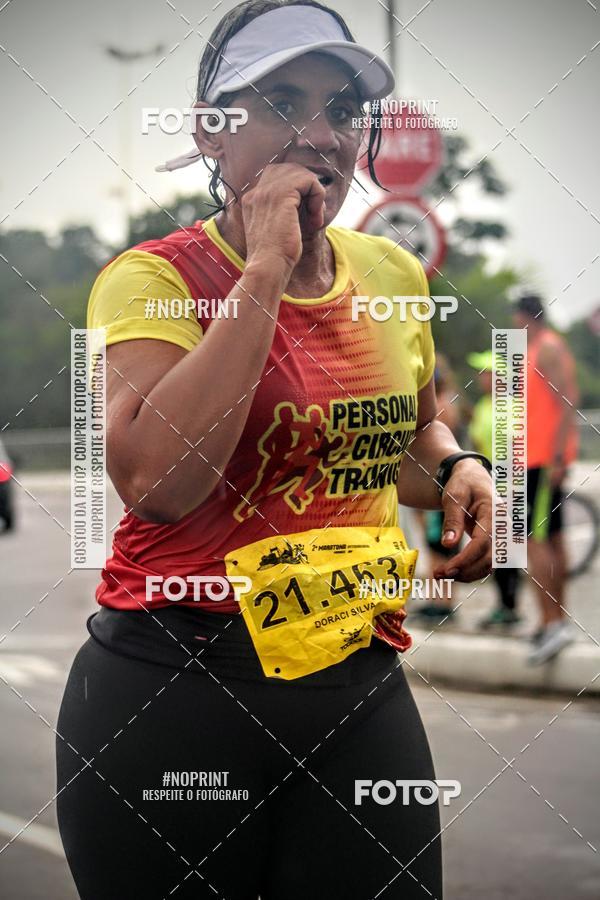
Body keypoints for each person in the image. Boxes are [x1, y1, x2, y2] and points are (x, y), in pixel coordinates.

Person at [56, 3, 493, 898]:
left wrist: (456, 467)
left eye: (342, 110)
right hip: (176, 685)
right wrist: (263, 270)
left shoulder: (393, 273)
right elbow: (158, 482)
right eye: (283, 103)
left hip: (355, 678)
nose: (321, 134)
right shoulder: (156, 279)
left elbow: (405, 436)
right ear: (211, 136)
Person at [512, 294, 579, 664]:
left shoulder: (548, 347)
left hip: (541, 461)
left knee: (532, 541)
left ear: (526, 316)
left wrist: (557, 457)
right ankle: (555, 621)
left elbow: (569, 400)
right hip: (533, 459)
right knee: (551, 537)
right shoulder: (537, 347)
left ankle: (553, 623)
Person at [467, 350, 522, 628]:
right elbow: (478, 446)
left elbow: (516, 448)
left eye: (485, 373)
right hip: (491, 487)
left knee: (507, 548)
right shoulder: (483, 406)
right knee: (497, 547)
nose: (480, 378)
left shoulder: (511, 407)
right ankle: (504, 605)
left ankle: (509, 607)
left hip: (510, 487)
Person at [414, 354, 461, 622]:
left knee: (440, 545)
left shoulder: (442, 405)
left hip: (441, 483)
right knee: (436, 544)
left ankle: (443, 603)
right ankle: (438, 599)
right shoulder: (448, 401)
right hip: (440, 481)